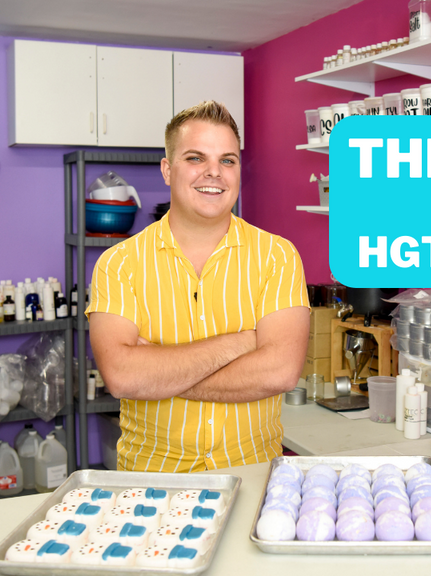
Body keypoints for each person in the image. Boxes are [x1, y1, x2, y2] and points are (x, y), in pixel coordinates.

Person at [86, 101, 309, 473]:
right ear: (167, 170)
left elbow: (280, 372)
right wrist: (242, 343)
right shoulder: (118, 263)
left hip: (253, 474)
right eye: (195, 158)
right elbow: (123, 378)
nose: (213, 173)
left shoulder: (277, 256)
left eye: (227, 160)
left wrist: (158, 375)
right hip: (152, 479)